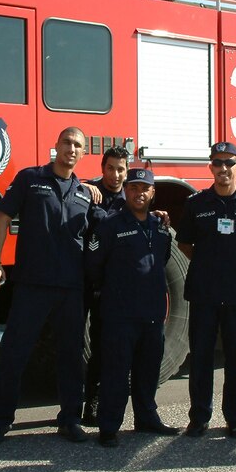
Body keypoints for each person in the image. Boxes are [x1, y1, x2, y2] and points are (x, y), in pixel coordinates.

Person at [0, 127, 102, 445]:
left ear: (82, 152)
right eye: (67, 142)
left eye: (78, 145)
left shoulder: (84, 193)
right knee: (14, 354)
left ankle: (70, 420)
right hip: (32, 285)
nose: (72, 149)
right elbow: (2, 217)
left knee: (70, 357)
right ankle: (0, 422)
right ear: (56, 146)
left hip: (70, 288)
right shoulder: (30, 179)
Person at [176, 142, 236, 438]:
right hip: (204, 291)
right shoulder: (197, 204)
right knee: (202, 357)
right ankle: (199, 417)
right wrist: (208, 264)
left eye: (229, 163)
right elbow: (184, 243)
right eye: (217, 163)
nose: (223, 169)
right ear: (210, 168)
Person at [86, 168, 180, 447]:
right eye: (133, 188)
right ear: (125, 191)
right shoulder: (110, 225)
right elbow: (94, 266)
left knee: (148, 370)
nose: (139, 193)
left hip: (152, 314)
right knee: (116, 373)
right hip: (120, 314)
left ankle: (146, 418)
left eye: (145, 188)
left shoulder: (160, 225)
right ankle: (109, 427)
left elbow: (161, 261)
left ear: (153, 193)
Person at [82, 146, 130, 426]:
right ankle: (72, 406)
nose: (115, 175)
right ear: (102, 168)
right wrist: (82, 185)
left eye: (120, 169)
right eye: (110, 168)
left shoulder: (131, 199)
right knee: (74, 342)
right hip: (84, 277)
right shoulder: (89, 192)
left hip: (112, 285)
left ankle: (95, 404)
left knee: (102, 345)